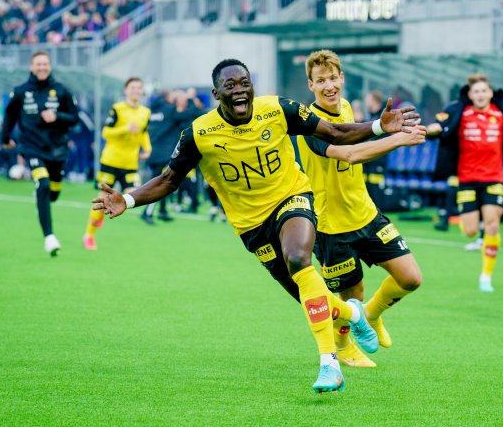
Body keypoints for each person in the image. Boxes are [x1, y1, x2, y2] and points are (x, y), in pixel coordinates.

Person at [92, 58, 420, 393]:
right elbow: (169, 179)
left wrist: (379, 127)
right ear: (216, 94)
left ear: (252, 86)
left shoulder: (278, 109)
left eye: (244, 82)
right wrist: (128, 200)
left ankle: (329, 364)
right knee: (308, 295)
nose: (239, 90)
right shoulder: (199, 133)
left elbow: (335, 131)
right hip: (251, 224)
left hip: (293, 197)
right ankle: (353, 315)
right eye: (230, 85)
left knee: (298, 258)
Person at [296, 50, 425, 368]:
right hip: (331, 225)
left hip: (366, 213)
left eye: (333, 78)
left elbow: (358, 135)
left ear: (342, 79)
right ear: (310, 85)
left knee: (411, 278)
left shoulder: (346, 107)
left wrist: (385, 130)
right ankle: (344, 348)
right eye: (320, 80)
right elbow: (349, 154)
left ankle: (371, 314)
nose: (329, 86)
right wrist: (396, 140)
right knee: (350, 296)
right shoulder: (307, 124)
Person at [427, 74, 503, 292]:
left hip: (494, 178)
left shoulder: (500, 114)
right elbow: (440, 125)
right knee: (469, 231)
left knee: (492, 223)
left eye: (483, 91)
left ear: (490, 93)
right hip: (467, 179)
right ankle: (473, 228)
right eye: (476, 91)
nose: (480, 95)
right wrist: (431, 129)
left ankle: (486, 276)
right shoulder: (462, 114)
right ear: (470, 95)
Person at [1, 50, 80, 256]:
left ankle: (41, 200)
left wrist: (57, 116)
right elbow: (9, 116)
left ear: (50, 66)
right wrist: (5, 137)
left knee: (53, 194)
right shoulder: (20, 91)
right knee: (43, 184)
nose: (42, 67)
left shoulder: (62, 90)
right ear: (31, 67)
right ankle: (50, 238)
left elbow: (74, 118)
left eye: (45, 64)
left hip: (57, 150)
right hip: (31, 147)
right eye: (38, 64)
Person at [84, 77, 151, 250]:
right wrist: (125, 129)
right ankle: (89, 235)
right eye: (132, 87)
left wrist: (147, 147)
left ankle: (98, 219)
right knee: (102, 200)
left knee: (134, 197)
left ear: (142, 91)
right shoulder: (118, 109)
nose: (135, 90)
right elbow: (106, 132)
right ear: (125, 91)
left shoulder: (145, 112)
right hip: (110, 161)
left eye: (138, 88)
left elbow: (143, 132)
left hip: (130, 162)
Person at [140, 90, 202, 225]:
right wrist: (191, 101)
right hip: (163, 153)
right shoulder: (170, 110)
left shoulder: (153, 110)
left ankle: (162, 210)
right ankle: (147, 212)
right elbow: (189, 114)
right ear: (168, 98)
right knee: (159, 183)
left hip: (153, 151)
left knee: (162, 181)